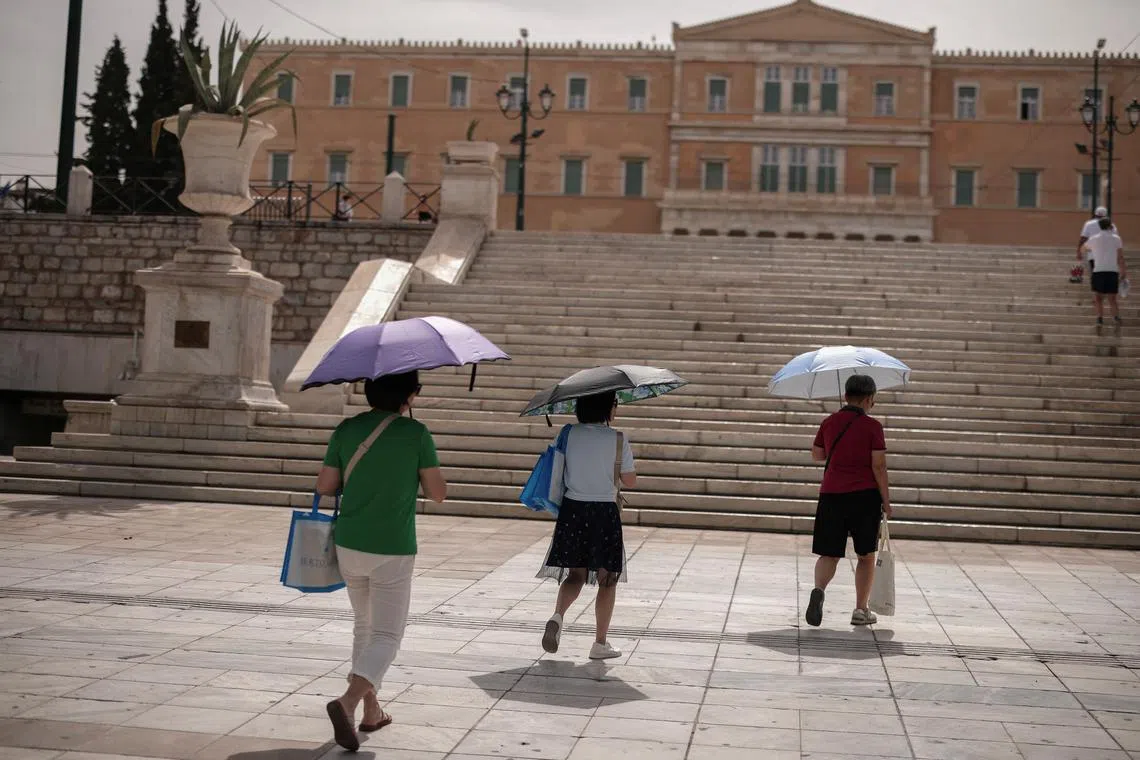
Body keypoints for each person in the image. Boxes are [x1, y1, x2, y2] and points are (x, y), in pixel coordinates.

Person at [315, 371, 446, 751]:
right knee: (387, 635)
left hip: (349, 544)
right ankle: (349, 701)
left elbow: (324, 485)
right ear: (409, 396)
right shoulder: (416, 434)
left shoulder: (347, 429)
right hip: (392, 546)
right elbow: (438, 493)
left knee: (364, 626)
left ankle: (371, 711)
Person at [539, 390, 636, 660]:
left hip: (573, 510)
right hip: (604, 513)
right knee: (607, 580)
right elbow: (630, 480)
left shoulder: (568, 434)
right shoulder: (617, 438)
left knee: (576, 575)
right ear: (607, 406)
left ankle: (558, 616)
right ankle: (600, 644)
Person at [805, 374, 892, 628]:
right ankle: (860, 609)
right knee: (865, 555)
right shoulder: (873, 427)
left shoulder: (829, 422)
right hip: (864, 498)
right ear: (868, 399)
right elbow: (879, 465)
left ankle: (819, 590)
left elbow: (817, 455)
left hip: (831, 494)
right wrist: (886, 500)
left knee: (828, 553)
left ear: (845, 396)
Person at [1083, 217, 1127, 326]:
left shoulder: (1094, 238)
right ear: (1109, 225)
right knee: (1112, 298)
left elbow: (1083, 249)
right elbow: (1120, 256)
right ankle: (1115, 317)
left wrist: (1093, 250)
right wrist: (1123, 271)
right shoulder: (1116, 238)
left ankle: (1099, 319)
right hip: (1112, 270)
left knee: (1098, 297)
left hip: (1098, 270)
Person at [1076, 206, 1116, 282]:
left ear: (1095, 214)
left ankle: (1096, 286)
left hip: (1093, 253)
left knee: (1095, 270)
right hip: (1108, 254)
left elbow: (1083, 238)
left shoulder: (1089, 224)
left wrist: (1078, 250)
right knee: (1105, 272)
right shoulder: (1112, 226)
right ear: (1106, 215)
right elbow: (1115, 239)